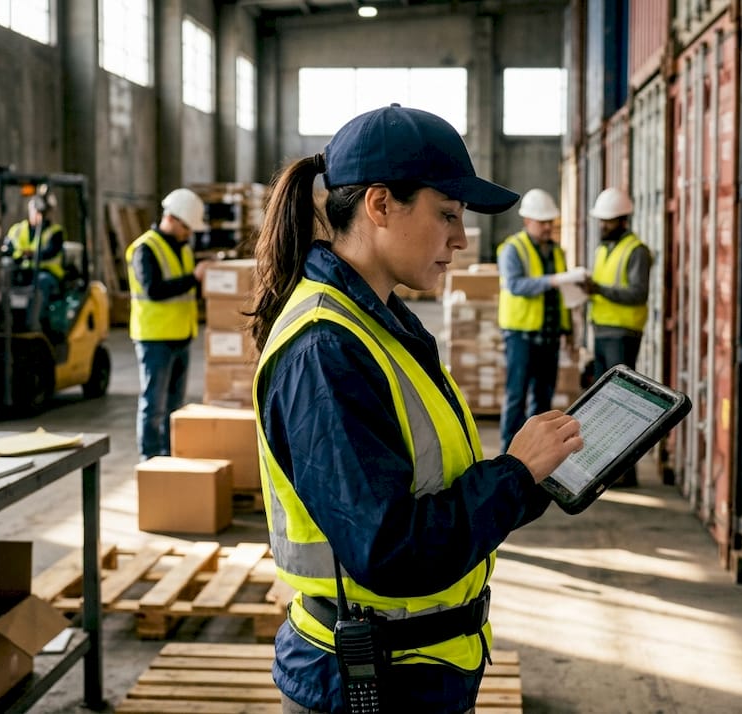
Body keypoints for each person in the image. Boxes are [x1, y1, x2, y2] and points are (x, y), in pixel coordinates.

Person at [246, 104, 584, 714]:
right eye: (447, 214)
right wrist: (511, 474)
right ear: (380, 205)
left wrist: (535, 476)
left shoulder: (384, 322)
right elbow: (391, 551)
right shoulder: (326, 351)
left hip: (418, 666)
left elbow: (434, 486)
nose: (461, 237)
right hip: (368, 682)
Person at [127, 187, 212, 460]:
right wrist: (193, 278)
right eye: (187, 227)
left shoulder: (183, 249)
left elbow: (188, 291)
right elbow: (153, 289)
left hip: (180, 336)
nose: (190, 234)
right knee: (154, 405)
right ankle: (150, 458)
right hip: (155, 339)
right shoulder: (145, 249)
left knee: (175, 406)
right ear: (172, 219)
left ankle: (169, 456)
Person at [496, 188, 581, 452]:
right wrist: (553, 280)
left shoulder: (557, 252)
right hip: (521, 336)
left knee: (543, 399)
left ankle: (538, 456)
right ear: (527, 221)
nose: (547, 228)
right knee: (516, 397)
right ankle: (508, 455)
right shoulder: (513, 249)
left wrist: (567, 330)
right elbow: (515, 285)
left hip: (549, 336)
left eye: (550, 223)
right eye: (542, 222)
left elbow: (560, 296)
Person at [582, 187, 651, 487]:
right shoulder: (602, 249)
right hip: (601, 331)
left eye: (608, 221)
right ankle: (608, 469)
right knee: (603, 404)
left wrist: (599, 290)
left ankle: (626, 472)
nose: (603, 226)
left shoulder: (636, 251)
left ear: (623, 220)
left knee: (623, 404)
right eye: (602, 221)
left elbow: (638, 293)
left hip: (623, 334)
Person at [3, 194, 64, 332]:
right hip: (23, 272)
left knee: (41, 282)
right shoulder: (17, 230)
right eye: (36, 210)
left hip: (48, 273)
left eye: (42, 211)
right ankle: (9, 322)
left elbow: (50, 252)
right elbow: (7, 249)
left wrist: (30, 254)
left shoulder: (55, 232)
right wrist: (17, 255)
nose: (38, 214)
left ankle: (36, 324)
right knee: (4, 279)